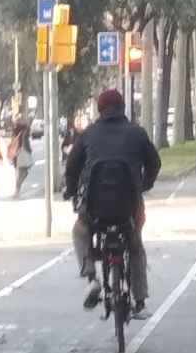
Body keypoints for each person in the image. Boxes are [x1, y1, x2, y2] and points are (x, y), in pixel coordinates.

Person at [64, 89, 160, 316]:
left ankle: (90, 275)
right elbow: (154, 163)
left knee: (80, 230)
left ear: (99, 109)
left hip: (94, 209)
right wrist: (144, 185)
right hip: (130, 207)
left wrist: (71, 192)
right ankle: (140, 300)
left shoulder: (88, 134)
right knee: (135, 245)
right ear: (122, 108)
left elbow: (72, 167)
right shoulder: (137, 133)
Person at [7, 118, 35, 194]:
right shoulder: (24, 133)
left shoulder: (15, 133)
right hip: (22, 154)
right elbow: (28, 127)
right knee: (24, 173)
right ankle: (17, 190)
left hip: (16, 155)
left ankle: (17, 190)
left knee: (19, 173)